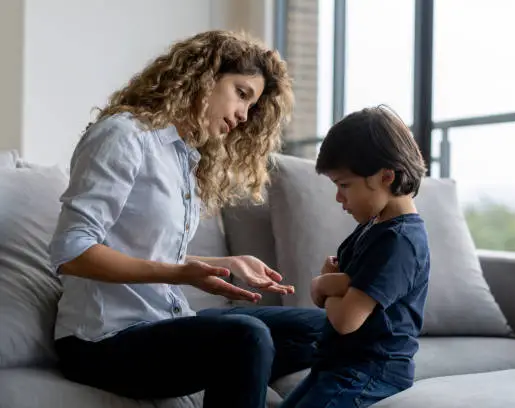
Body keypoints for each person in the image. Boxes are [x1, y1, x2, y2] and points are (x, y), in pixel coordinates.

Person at [49, 30, 326, 408]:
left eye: (252, 104)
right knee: (246, 336)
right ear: (204, 77)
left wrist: (223, 264)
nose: (245, 115)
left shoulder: (185, 158)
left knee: (321, 330)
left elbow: (146, 251)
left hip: (162, 323)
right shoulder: (124, 136)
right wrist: (182, 274)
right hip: (101, 340)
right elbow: (71, 250)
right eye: (241, 93)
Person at [280, 105, 431, 408]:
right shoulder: (374, 227)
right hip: (338, 365)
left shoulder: (399, 242)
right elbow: (343, 291)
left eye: (344, 185)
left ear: (386, 176)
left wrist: (325, 285)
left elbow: (346, 320)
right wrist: (337, 285)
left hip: (371, 372)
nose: (339, 197)